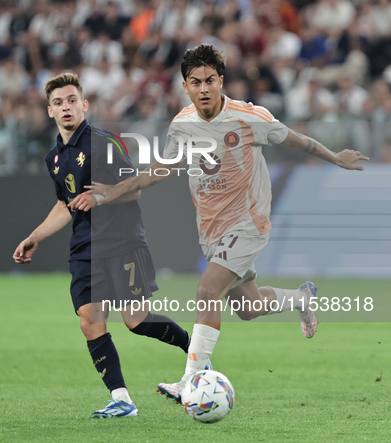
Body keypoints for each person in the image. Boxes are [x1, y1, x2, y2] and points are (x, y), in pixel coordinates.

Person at [90, 44, 368, 404]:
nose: (203, 88)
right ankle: (302, 297)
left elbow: (299, 141)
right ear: (185, 87)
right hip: (212, 230)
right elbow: (161, 169)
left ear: (221, 81)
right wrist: (115, 191)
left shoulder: (250, 117)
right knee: (248, 308)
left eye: (209, 80)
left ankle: (190, 380)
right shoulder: (182, 125)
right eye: (195, 82)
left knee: (207, 291)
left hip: (249, 222)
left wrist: (335, 157)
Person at [13, 73, 210, 418]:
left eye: (72, 100)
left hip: (121, 242)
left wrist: (100, 197)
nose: (66, 107)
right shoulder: (54, 159)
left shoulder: (103, 142)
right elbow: (65, 205)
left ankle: (197, 355)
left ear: (84, 105)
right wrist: (35, 237)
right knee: (90, 320)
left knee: (135, 321)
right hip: (84, 248)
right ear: (50, 111)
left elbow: (133, 188)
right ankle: (122, 399)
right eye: (58, 103)